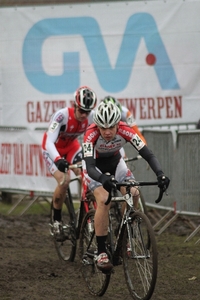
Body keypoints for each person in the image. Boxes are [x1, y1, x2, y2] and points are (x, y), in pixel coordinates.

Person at [82, 101, 170, 272]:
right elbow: (90, 167)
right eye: (103, 128)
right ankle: (101, 252)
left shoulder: (125, 129)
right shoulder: (90, 134)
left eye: (111, 127)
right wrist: (102, 178)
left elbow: (147, 154)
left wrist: (160, 174)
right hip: (94, 168)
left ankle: (127, 232)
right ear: (97, 125)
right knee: (104, 199)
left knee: (134, 192)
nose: (107, 132)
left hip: (116, 163)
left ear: (118, 124)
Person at [42, 86, 97, 240]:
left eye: (87, 111)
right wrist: (58, 159)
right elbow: (49, 142)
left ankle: (85, 207)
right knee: (64, 181)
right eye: (81, 110)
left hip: (71, 147)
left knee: (85, 173)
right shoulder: (61, 116)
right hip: (52, 149)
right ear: (75, 105)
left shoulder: (92, 117)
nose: (84, 115)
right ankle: (57, 221)